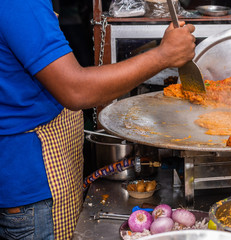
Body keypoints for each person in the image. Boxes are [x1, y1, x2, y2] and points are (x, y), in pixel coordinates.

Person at [0, 0, 196, 239]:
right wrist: (163, 55)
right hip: (34, 184)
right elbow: (76, 90)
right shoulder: (19, 4)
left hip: (35, 177)